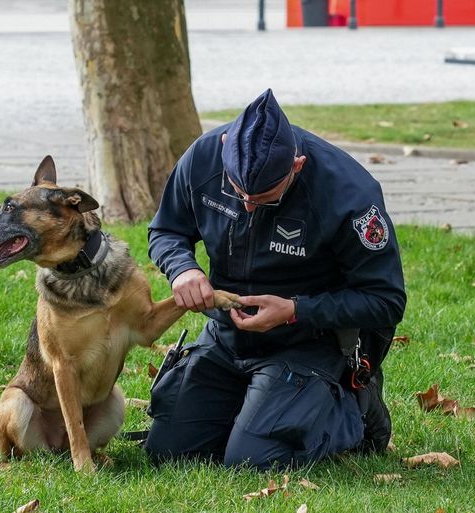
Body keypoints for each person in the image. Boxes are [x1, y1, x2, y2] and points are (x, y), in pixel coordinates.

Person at [144, 88, 406, 469]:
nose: (248, 205)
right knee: (168, 454)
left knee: (253, 460)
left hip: (305, 341)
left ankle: (355, 408)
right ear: (223, 148)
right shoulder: (202, 157)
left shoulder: (348, 193)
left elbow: (386, 300)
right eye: (239, 192)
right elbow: (166, 230)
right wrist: (182, 268)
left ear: (296, 165)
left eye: (264, 197)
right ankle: (252, 408)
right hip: (226, 336)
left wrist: (295, 311)